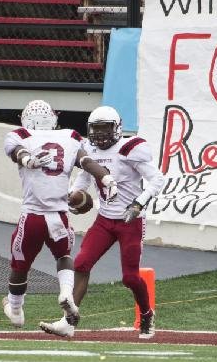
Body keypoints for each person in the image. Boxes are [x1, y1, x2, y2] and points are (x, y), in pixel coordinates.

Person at [40, 106, 165, 340]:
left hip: (131, 220)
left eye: (104, 128)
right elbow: (84, 178)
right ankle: (68, 322)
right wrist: (74, 195)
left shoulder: (130, 148)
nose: (99, 135)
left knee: (130, 278)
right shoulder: (89, 148)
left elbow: (158, 179)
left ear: (117, 128)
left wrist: (138, 204)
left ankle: (147, 314)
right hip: (105, 220)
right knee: (81, 263)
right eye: (95, 129)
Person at [1, 99, 116, 327]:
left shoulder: (20, 135)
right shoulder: (70, 137)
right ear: (52, 119)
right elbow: (86, 161)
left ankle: (15, 309)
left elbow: (19, 151)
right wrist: (106, 177)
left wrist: (29, 160)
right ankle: (66, 293)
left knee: (20, 266)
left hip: (32, 216)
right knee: (63, 257)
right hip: (60, 217)